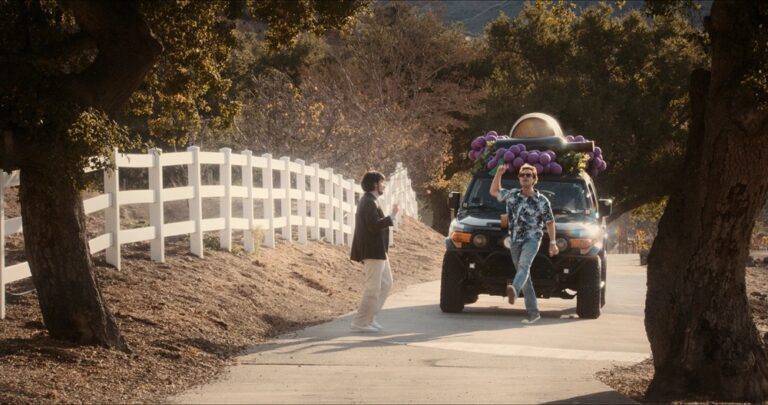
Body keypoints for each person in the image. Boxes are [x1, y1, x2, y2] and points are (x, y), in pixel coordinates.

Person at [490, 163, 557, 324]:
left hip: (532, 238)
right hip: (514, 240)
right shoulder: (512, 195)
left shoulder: (542, 201)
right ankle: (534, 313)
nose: (525, 177)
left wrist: (553, 242)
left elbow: (550, 222)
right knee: (524, 275)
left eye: (528, 175)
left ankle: (514, 288)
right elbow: (494, 191)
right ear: (519, 178)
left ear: (534, 179)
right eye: (522, 175)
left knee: (524, 266)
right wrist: (499, 174)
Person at [349, 171, 399, 333]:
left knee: (386, 283)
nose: (383, 185)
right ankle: (360, 322)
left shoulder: (372, 200)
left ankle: (369, 318)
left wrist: (391, 216)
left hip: (378, 250)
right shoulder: (368, 201)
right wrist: (392, 216)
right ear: (374, 184)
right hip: (372, 250)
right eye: (381, 182)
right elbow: (373, 225)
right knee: (373, 287)